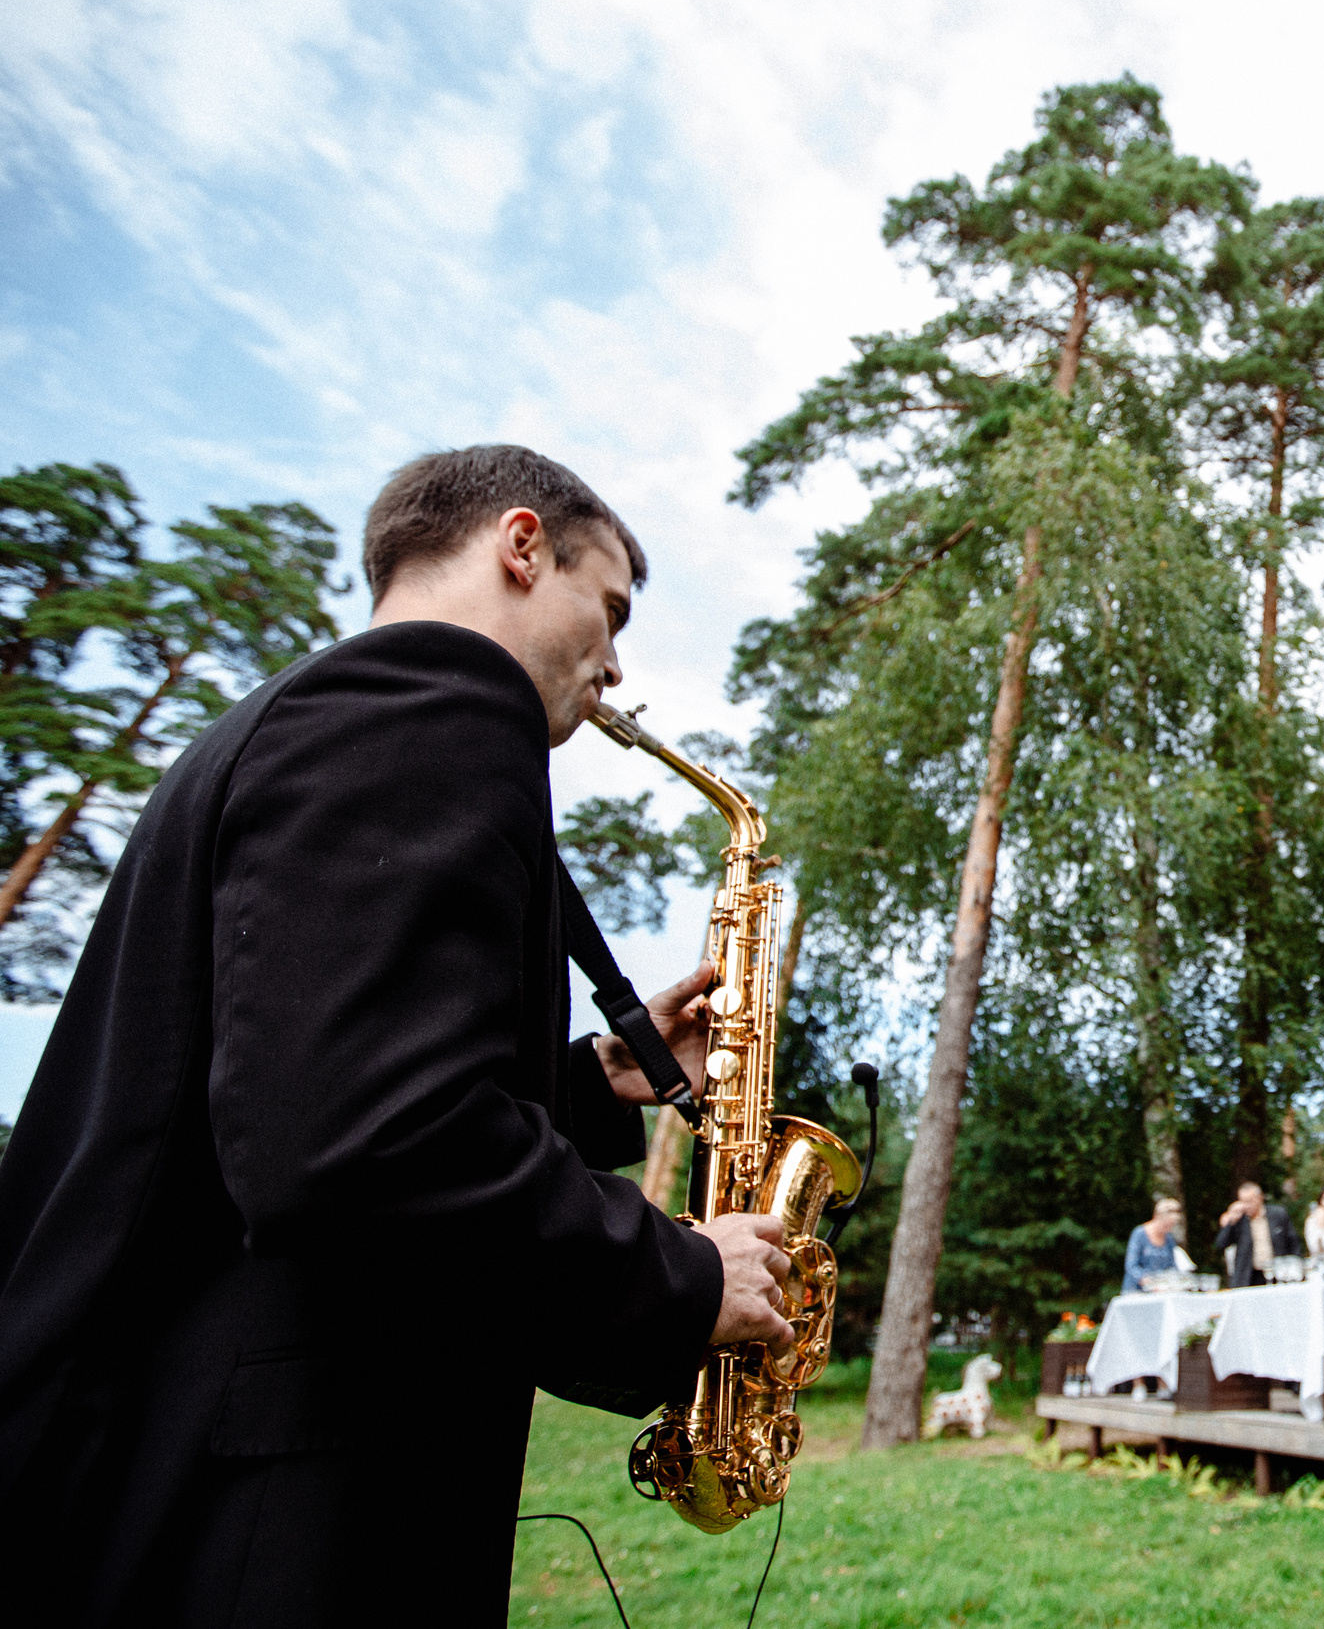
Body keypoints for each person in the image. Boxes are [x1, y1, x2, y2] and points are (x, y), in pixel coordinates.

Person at [0, 447, 790, 1624]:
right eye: (609, 607)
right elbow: (362, 1147)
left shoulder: (304, 720)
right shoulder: (431, 699)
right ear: (523, 546)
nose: (617, 661)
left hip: (154, 1468)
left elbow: (275, 1098)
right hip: (263, 1527)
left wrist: (592, 1083)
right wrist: (680, 1273)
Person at [1213, 1181, 1303, 1287]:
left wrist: (1294, 1269)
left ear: (1260, 1198)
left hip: (1276, 1274)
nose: (1246, 1206)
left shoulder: (1278, 1214)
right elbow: (1220, 1244)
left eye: (1250, 1201)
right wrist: (1231, 1222)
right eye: (1243, 1201)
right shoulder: (1239, 1220)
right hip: (1249, 1276)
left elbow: (1293, 1242)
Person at [1124, 1197, 1193, 1292]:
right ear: (1157, 1217)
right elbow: (1131, 1266)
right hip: (1136, 1291)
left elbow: (1172, 1266)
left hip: (1161, 1291)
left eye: (1171, 1226)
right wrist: (1147, 1281)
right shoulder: (1139, 1234)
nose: (1168, 1229)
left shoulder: (1169, 1239)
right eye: (1165, 1225)